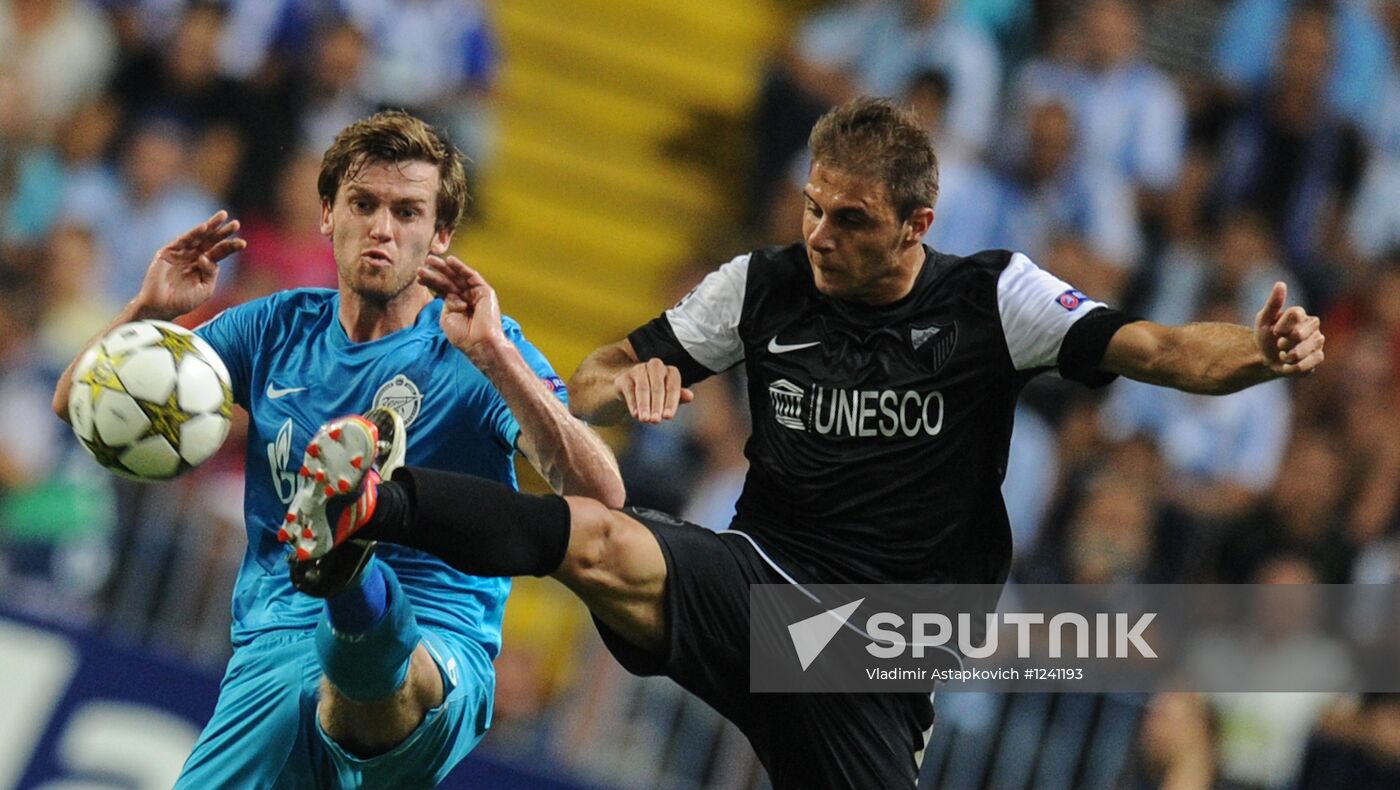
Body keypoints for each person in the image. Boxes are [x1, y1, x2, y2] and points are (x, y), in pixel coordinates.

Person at [286, 97, 1325, 788]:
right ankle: (369, 505)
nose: (820, 235)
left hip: (886, 646)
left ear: (916, 223)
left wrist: (1261, 353)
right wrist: (626, 380)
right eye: (812, 207)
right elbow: (597, 374)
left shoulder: (992, 297)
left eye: (852, 220)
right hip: (763, 578)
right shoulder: (763, 284)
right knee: (602, 540)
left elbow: (1157, 347)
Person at [50, 111, 624, 787]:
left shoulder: (474, 349)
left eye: (408, 212)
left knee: (364, 672)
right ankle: (350, 566)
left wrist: (498, 356)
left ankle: (353, 573)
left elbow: (601, 494)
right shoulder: (275, 327)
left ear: (440, 235)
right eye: (364, 204)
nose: (383, 228)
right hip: (271, 652)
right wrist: (149, 312)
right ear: (328, 214)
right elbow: (76, 405)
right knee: (326, 675)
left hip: (439, 652)